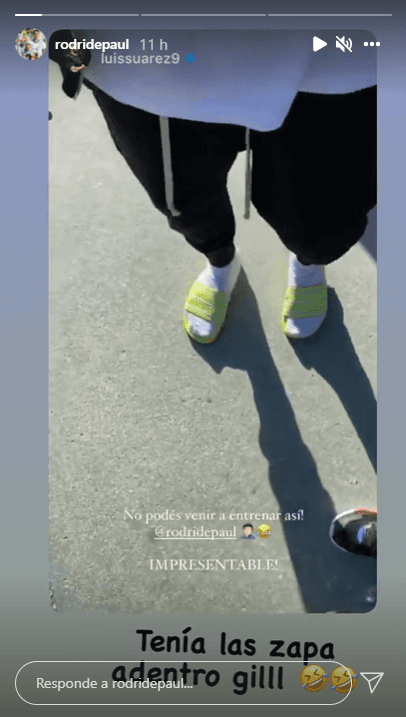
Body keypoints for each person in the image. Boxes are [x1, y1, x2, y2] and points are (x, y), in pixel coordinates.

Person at [50, 30, 376, 344]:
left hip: (331, 53)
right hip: (145, 63)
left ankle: (309, 260)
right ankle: (220, 261)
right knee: (181, 194)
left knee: (323, 199)